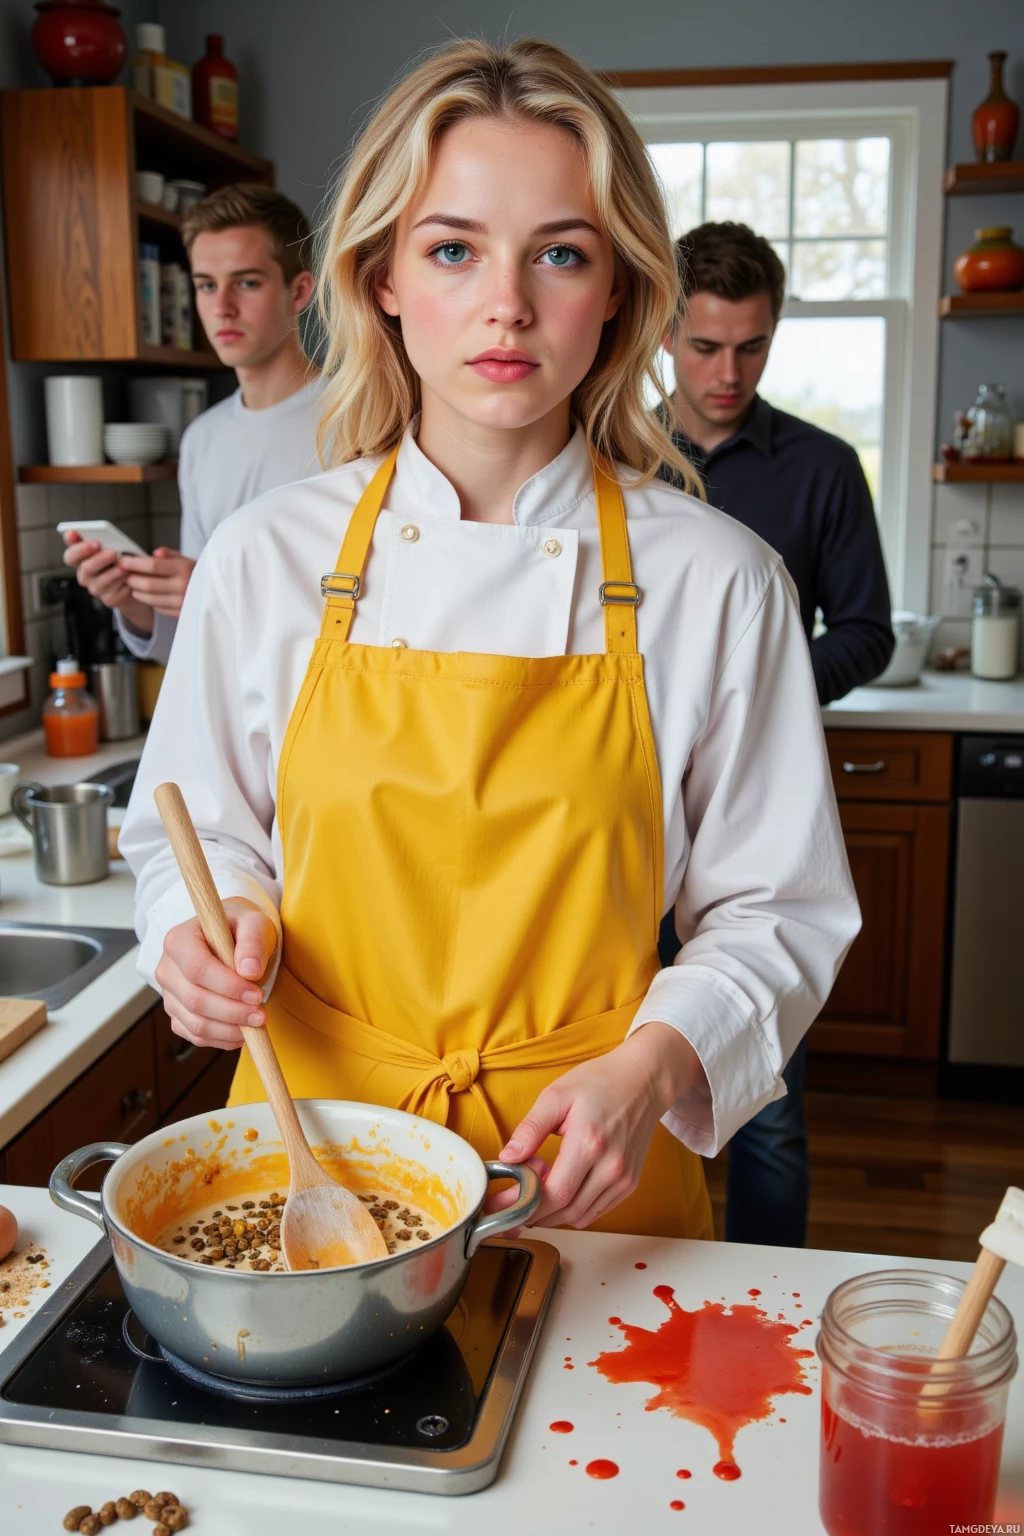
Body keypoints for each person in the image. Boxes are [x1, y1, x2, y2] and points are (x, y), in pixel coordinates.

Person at [120, 38, 860, 1243]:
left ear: (616, 287)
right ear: (382, 280)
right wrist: (195, 931)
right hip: (310, 1164)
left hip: (584, 1174)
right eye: (453, 248)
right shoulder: (264, 559)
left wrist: (655, 1069)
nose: (506, 304)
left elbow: (776, 911)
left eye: (558, 254)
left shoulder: (720, 583)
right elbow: (192, 829)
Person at [659, 220, 894, 1247]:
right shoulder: (607, 460)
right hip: (628, 822)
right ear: (665, 332)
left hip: (759, 822)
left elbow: (868, 633)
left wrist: (762, 690)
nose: (728, 371)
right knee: (624, 1090)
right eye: (707, 346)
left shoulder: (824, 467)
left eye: (751, 346)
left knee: (768, 1114)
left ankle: (760, 1316)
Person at [63, 184, 323, 665]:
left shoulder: (361, 419)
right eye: (206, 285)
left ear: (299, 290)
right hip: (232, 725)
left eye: (246, 283)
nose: (221, 306)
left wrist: (214, 590)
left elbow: (378, 605)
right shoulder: (202, 438)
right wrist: (134, 602)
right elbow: (192, 642)